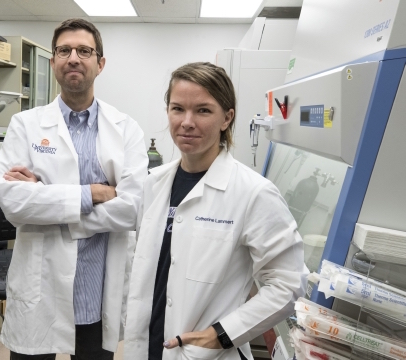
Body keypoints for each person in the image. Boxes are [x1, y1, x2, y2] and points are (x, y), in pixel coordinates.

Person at [123, 62, 308, 360]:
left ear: (227, 118)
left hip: (202, 353)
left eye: (203, 110)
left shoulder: (253, 193)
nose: (187, 121)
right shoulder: (154, 184)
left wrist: (221, 334)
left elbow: (289, 283)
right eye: (177, 108)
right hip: (146, 346)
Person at [0, 18, 148, 359]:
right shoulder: (26, 125)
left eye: (84, 51)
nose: (73, 57)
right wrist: (93, 194)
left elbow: (133, 208)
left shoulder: (126, 129)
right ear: (53, 61)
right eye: (64, 50)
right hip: (40, 288)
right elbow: (14, 204)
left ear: (100, 64)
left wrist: (47, 199)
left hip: (96, 288)